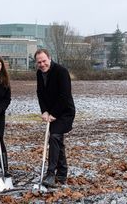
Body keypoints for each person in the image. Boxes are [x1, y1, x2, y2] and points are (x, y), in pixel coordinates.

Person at [35, 48, 75, 187]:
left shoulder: (61, 71)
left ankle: (50, 173)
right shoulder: (39, 74)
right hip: (51, 112)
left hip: (65, 112)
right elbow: (40, 93)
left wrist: (54, 114)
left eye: (44, 61)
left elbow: (64, 95)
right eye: (39, 62)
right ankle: (62, 173)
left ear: (49, 58)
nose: (42, 64)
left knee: (54, 137)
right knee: (57, 141)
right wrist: (44, 111)